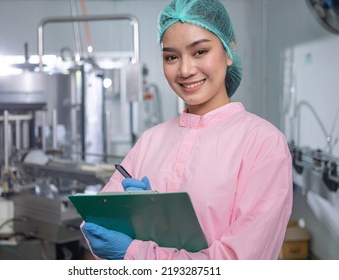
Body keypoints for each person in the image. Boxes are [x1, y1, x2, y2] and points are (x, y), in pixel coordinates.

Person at [81, 0, 293, 260]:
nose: (185, 70)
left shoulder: (264, 143)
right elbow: (96, 221)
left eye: (200, 52)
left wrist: (135, 253)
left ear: (229, 51)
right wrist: (126, 215)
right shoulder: (151, 141)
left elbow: (240, 262)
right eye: (171, 57)